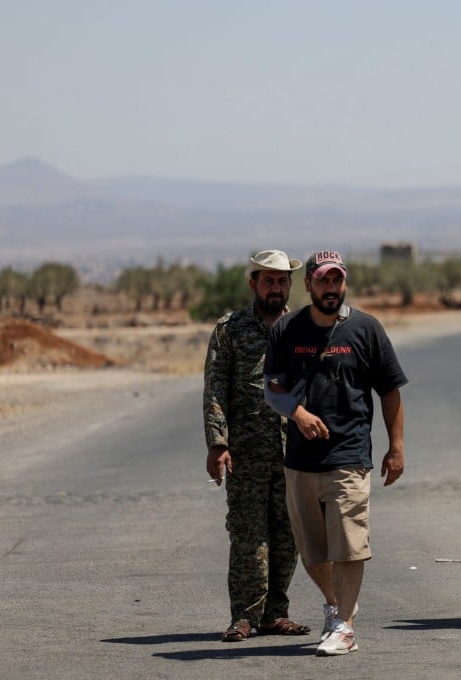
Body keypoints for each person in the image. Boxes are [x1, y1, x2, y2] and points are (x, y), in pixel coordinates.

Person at [263, 250, 407, 657]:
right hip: (300, 460)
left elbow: (390, 390)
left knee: (349, 544)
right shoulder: (287, 329)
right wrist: (297, 412)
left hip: (349, 454)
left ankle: (345, 626)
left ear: (345, 282)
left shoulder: (366, 328)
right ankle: (335, 605)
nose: (331, 287)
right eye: (323, 280)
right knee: (312, 551)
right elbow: (271, 387)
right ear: (308, 283)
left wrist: (396, 447)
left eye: (337, 280)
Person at [202, 249, 311, 642]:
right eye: (268, 281)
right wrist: (218, 443)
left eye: (282, 281)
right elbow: (215, 389)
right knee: (249, 536)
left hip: (294, 452)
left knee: (288, 535)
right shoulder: (230, 329)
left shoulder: (303, 329)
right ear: (253, 284)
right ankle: (244, 616)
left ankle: (275, 614)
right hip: (246, 454)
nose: (275, 288)